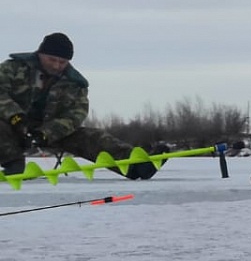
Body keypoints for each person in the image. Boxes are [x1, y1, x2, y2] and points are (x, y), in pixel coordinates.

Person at [0, 32, 160, 179]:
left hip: (49, 130)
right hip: (10, 126)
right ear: (40, 54)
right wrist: (15, 117)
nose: (56, 66)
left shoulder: (76, 83)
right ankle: (14, 166)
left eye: (62, 62)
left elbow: (75, 115)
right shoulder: (12, 68)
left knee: (92, 137)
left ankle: (135, 165)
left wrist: (46, 133)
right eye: (52, 60)